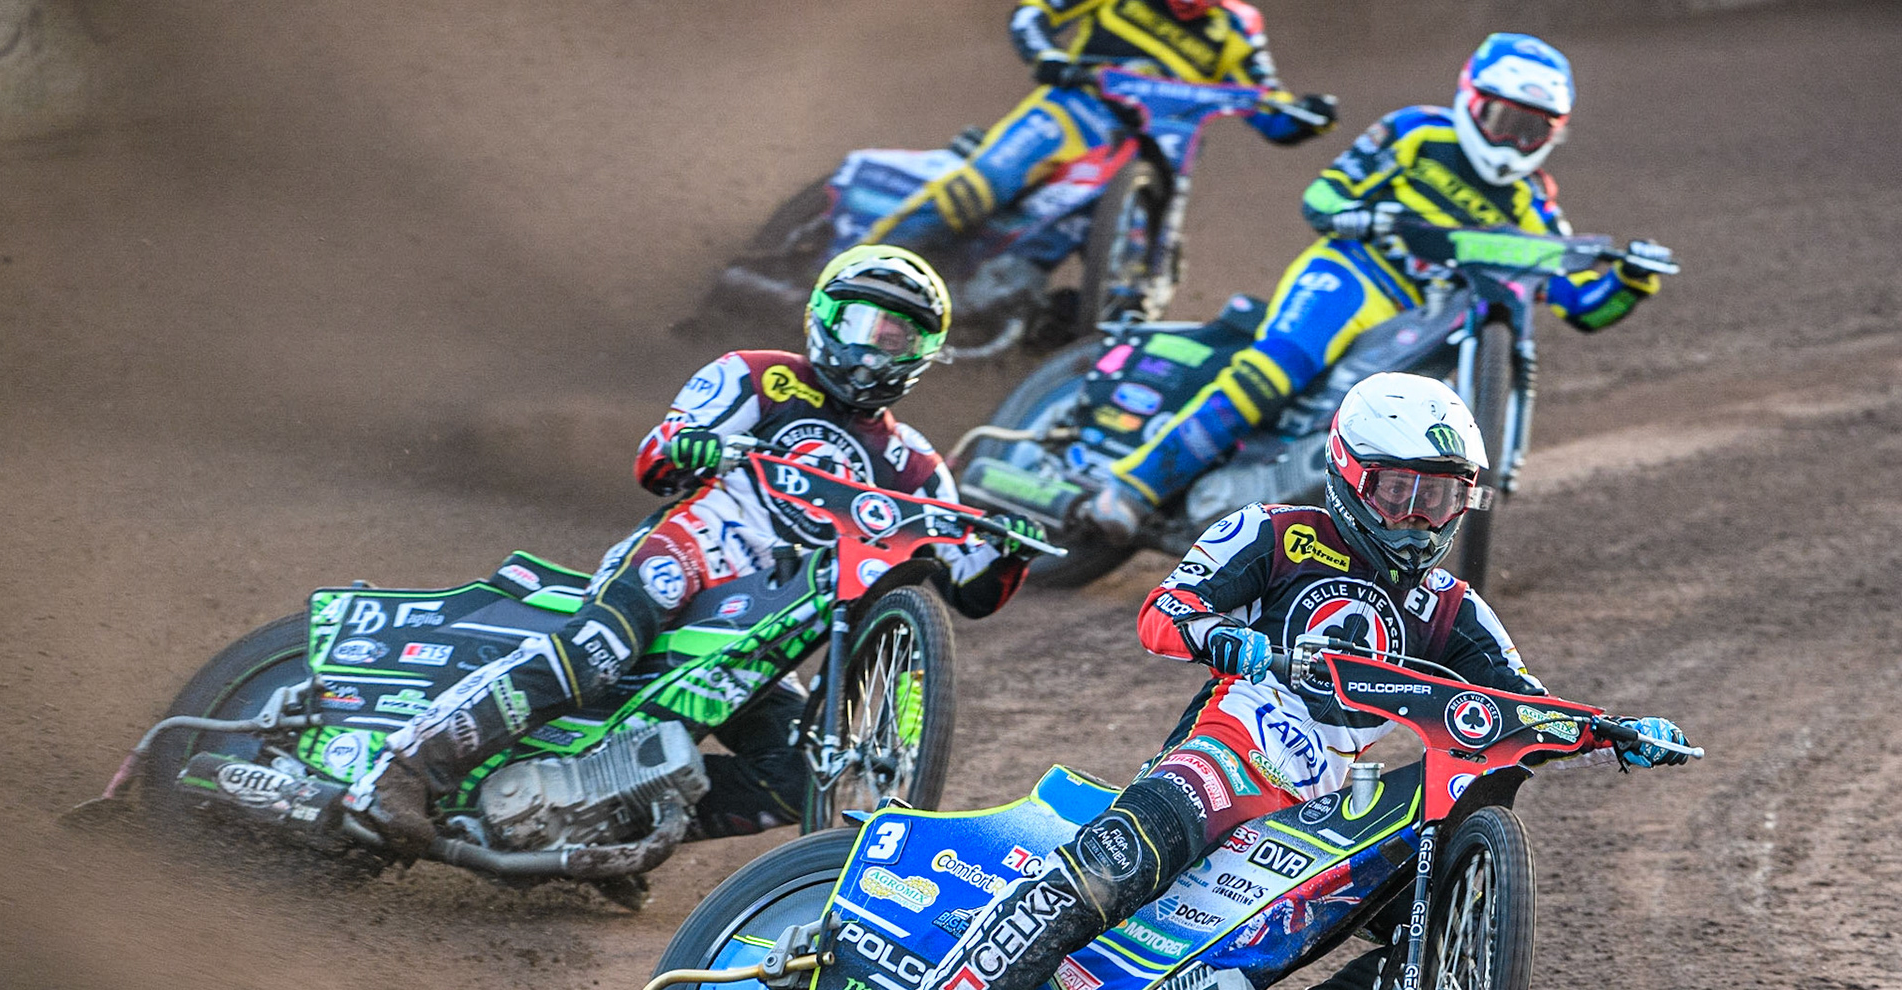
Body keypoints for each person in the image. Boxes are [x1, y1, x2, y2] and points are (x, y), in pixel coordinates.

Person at [858, 371, 1694, 990]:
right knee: (1120, 856)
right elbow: (1162, 611)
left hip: (1327, 809)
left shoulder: (1451, 608)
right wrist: (1217, 635)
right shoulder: (1270, 532)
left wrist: (1612, 731)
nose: (1415, 519)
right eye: (1398, 492)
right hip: (1227, 753)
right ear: (1345, 472)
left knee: (1435, 919)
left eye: (1439, 498)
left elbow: (1522, 702)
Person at [352, 246, 1046, 849]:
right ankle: (405, 768)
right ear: (825, 318)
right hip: (688, 556)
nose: (872, 349)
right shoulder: (759, 375)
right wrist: (694, 442)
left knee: (792, 777)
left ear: (922, 354)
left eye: (896, 338)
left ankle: (615, 821)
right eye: (862, 324)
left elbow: (969, 583)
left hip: (769, 620)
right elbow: (659, 456)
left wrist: (1009, 549)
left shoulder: (914, 462)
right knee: (595, 653)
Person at [1087, 31, 1670, 540]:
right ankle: (1134, 486)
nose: (1512, 141)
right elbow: (1322, 197)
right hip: (1354, 273)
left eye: (1532, 130)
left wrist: (1632, 281)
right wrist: (1359, 216)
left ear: (1553, 134)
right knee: (1276, 369)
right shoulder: (1413, 132)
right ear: (1472, 103)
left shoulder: (1535, 210)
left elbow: (1581, 305)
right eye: (1503, 122)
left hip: (1419, 322)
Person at [865, 0, 1336, 260]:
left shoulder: (1238, 25)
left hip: (1154, 148)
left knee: (1133, 251)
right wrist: (1048, 56)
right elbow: (1033, 13)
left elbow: (1265, 103)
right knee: (979, 188)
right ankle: (862, 264)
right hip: (1075, 109)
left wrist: (1306, 115)